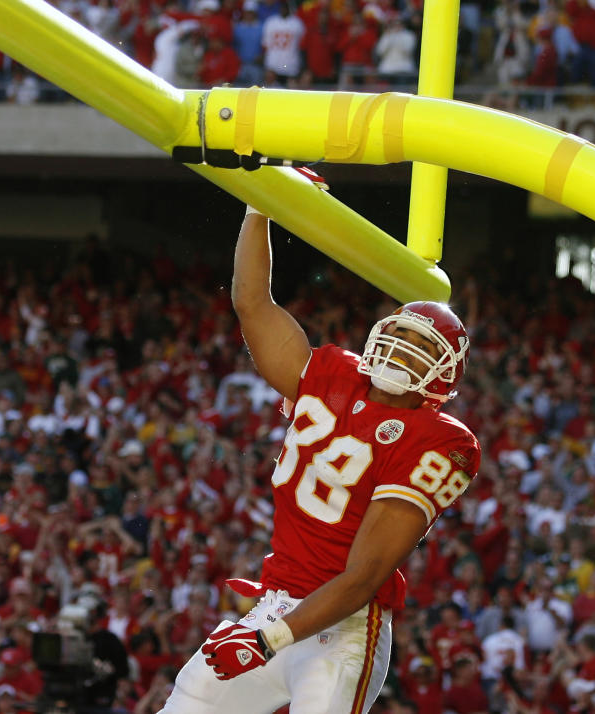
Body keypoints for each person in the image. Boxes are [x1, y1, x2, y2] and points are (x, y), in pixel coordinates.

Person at [158, 204, 480, 714]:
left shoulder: (439, 439)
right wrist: (258, 207)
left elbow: (364, 575)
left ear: (444, 373)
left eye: (422, 345)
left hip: (342, 626)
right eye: (399, 334)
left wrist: (269, 641)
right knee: (190, 699)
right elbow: (251, 302)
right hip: (277, 602)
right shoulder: (331, 371)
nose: (403, 349)